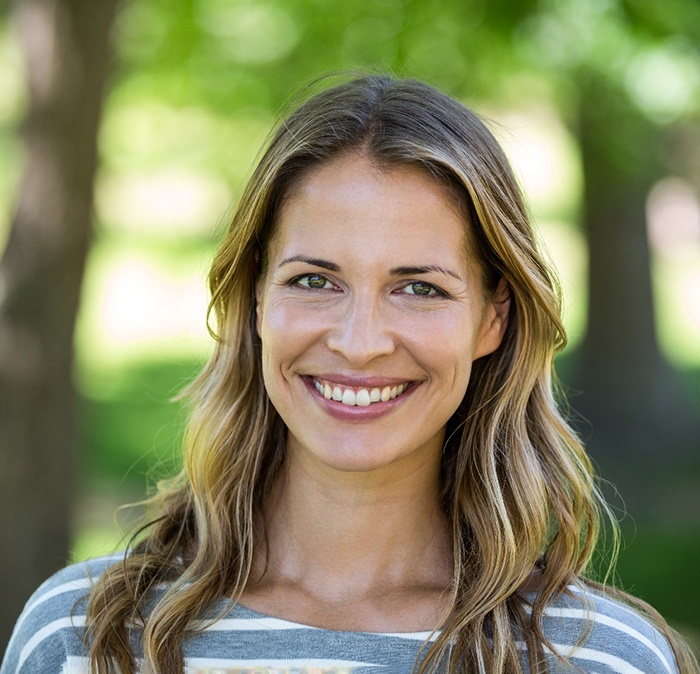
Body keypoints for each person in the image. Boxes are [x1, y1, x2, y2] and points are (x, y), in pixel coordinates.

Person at [2, 74, 698, 674]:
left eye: (419, 288)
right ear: (255, 301)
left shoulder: (600, 658)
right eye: (314, 280)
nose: (360, 343)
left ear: (493, 319)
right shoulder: (82, 636)